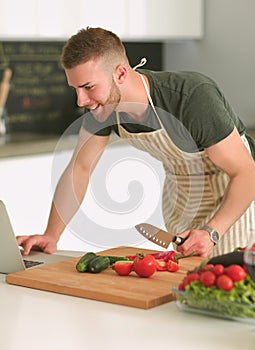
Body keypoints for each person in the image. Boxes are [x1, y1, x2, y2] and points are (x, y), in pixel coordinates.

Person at [17, 27, 255, 258]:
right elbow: (80, 168)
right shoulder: (102, 108)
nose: (81, 100)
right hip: (183, 196)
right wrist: (51, 235)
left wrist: (211, 232)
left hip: (236, 197)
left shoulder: (190, 97)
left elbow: (246, 173)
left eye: (88, 87)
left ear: (120, 74)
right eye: (75, 89)